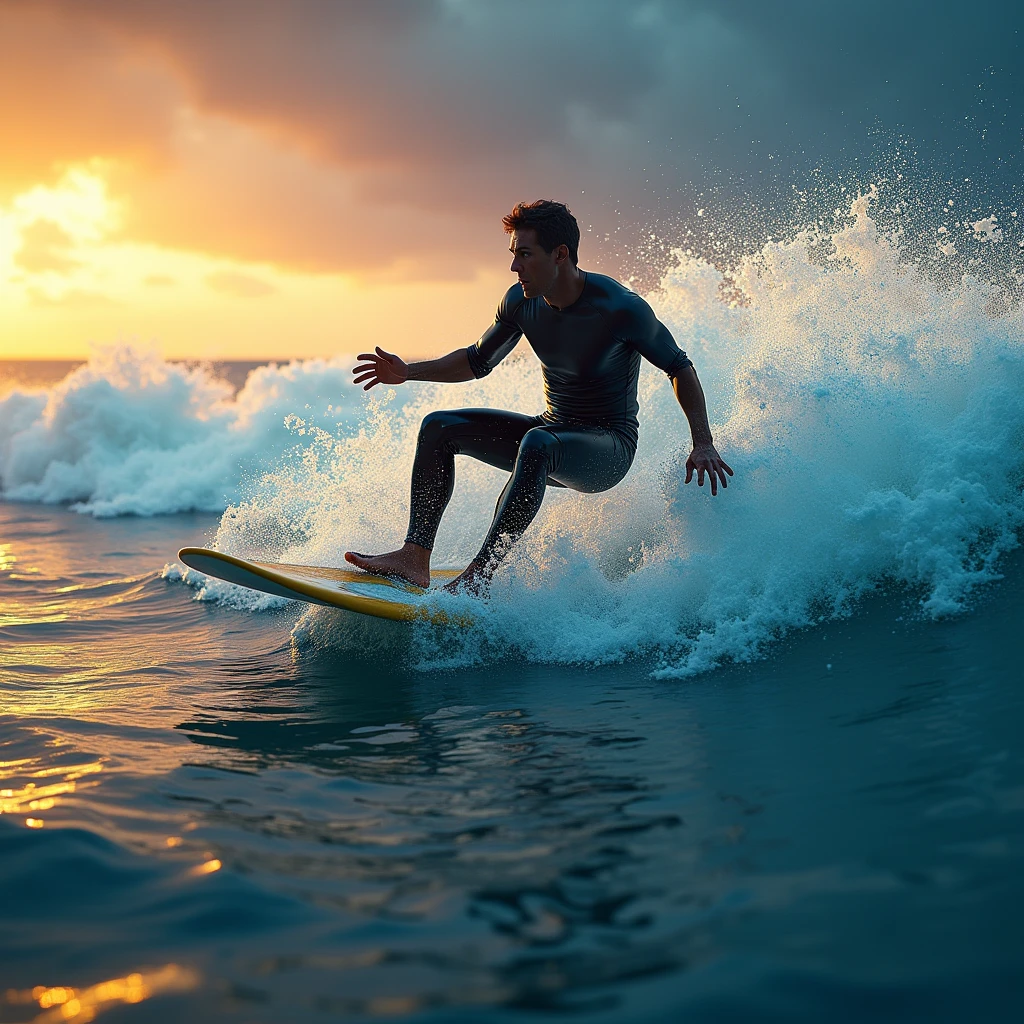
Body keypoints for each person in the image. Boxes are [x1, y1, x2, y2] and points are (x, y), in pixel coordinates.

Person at [346, 199, 732, 593]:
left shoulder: (620, 309)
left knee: (538, 442)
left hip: (608, 450)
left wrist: (703, 442)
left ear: (560, 254)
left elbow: (679, 367)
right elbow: (478, 361)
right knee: (439, 427)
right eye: (514, 256)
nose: (515, 268)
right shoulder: (520, 302)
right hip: (550, 433)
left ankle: (480, 578)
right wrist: (409, 373)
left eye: (525, 256)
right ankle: (414, 557)